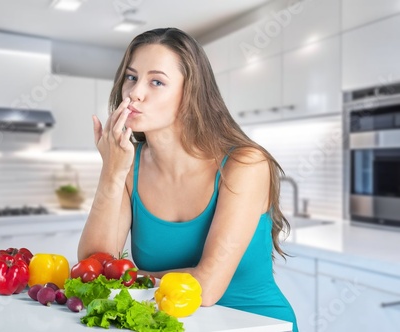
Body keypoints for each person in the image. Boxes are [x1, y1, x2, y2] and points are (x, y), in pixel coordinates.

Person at [78, 27, 299, 331]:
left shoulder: (245, 164)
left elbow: (206, 288)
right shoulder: (130, 166)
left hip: (256, 324)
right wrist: (111, 173)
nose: (134, 93)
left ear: (191, 92)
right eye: (131, 77)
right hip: (171, 324)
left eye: (156, 81)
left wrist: (127, 276)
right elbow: (95, 267)